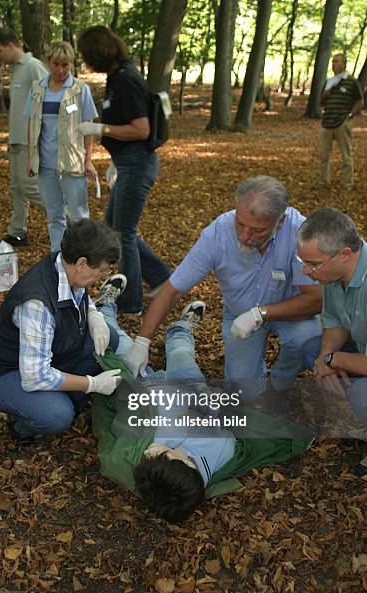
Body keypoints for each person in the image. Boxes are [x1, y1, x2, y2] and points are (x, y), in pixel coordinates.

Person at [90, 277, 313, 523]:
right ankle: (181, 328)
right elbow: (260, 433)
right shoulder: (224, 453)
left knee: (111, 340)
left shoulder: (135, 470)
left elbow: (105, 429)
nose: (155, 452)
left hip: (140, 387)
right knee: (183, 359)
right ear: (190, 463)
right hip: (187, 390)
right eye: (167, 453)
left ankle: (104, 306)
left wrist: (103, 391)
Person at [125, 176, 323, 404]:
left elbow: (315, 300)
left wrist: (260, 313)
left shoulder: (299, 231)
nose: (244, 236)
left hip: (292, 312)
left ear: (280, 221)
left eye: (257, 230)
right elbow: (172, 290)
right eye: (240, 224)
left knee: (305, 339)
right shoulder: (218, 233)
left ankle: (279, 385)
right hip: (239, 313)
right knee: (242, 394)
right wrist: (142, 342)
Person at [0, 219, 123, 447]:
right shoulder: (37, 304)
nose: (102, 277)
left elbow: (80, 294)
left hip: (45, 353)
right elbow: (35, 376)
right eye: (102, 271)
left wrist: (94, 314)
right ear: (82, 263)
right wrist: (92, 384)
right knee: (56, 415)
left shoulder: (65, 264)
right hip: (5, 371)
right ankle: (20, 424)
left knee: (107, 336)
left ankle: (68, 397)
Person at [77, 25, 171, 315]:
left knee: (124, 234)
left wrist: (100, 128)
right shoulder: (118, 77)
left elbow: (141, 129)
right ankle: (159, 276)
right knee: (115, 231)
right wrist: (116, 160)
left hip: (137, 163)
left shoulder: (127, 80)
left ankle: (131, 302)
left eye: (86, 54)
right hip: (128, 163)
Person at [297, 208, 367, 476]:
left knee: (362, 394)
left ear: (345, 254)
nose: (306, 271)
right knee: (312, 349)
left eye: (313, 264)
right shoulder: (333, 273)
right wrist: (325, 357)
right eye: (303, 262)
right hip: (360, 349)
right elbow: (334, 320)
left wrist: (332, 360)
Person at [24, 41, 98, 252]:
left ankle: (84, 255)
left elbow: (88, 127)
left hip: (72, 161)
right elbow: (32, 124)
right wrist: (31, 157)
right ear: (49, 63)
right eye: (56, 64)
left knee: (79, 215)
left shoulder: (80, 90)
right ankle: (57, 256)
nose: (61, 70)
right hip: (45, 163)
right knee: (55, 214)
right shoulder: (38, 89)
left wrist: (88, 160)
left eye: (65, 65)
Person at [0, 28, 48, 246]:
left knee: (28, 186)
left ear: (11, 45)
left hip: (29, 141)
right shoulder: (14, 70)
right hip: (15, 139)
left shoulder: (33, 67)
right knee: (16, 188)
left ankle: (72, 221)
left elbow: (48, 102)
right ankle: (17, 232)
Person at [319, 53, 364, 191]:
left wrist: (350, 115)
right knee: (323, 155)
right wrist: (325, 94)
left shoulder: (351, 81)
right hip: (327, 122)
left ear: (344, 64)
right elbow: (321, 102)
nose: (333, 64)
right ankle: (323, 183)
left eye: (337, 61)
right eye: (332, 61)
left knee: (346, 155)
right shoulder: (329, 81)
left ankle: (346, 185)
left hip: (342, 122)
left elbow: (360, 101)